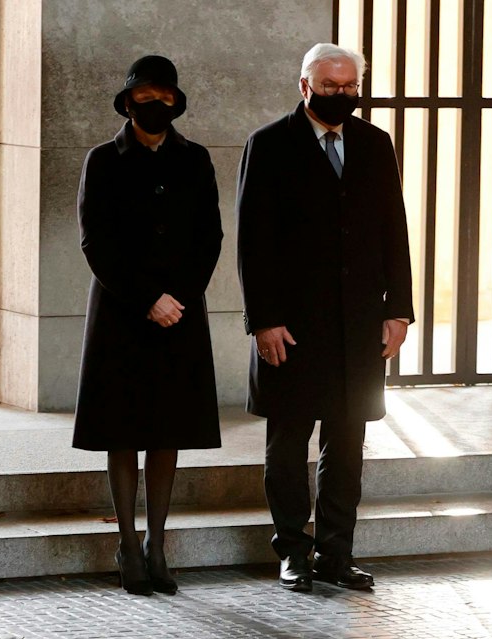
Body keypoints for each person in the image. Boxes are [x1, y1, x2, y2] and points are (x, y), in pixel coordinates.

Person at [237, 43, 414, 593]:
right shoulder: (269, 144)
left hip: (359, 324)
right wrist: (263, 320)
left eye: (349, 87)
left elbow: (394, 230)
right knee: (288, 443)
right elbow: (252, 241)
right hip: (291, 325)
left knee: (347, 443)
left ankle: (337, 554)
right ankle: (292, 551)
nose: (341, 95)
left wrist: (399, 309)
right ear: (304, 86)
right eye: (330, 86)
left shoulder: (375, 144)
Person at [72, 55, 223, 596]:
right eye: (145, 96)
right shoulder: (102, 160)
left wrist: (178, 298)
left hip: (179, 313)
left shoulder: (195, 159)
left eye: (165, 97)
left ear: (176, 102)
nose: (155, 105)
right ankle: (128, 544)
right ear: (128, 101)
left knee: (167, 431)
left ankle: (158, 545)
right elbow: (95, 241)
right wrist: (147, 299)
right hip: (122, 312)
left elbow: (210, 237)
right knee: (123, 431)